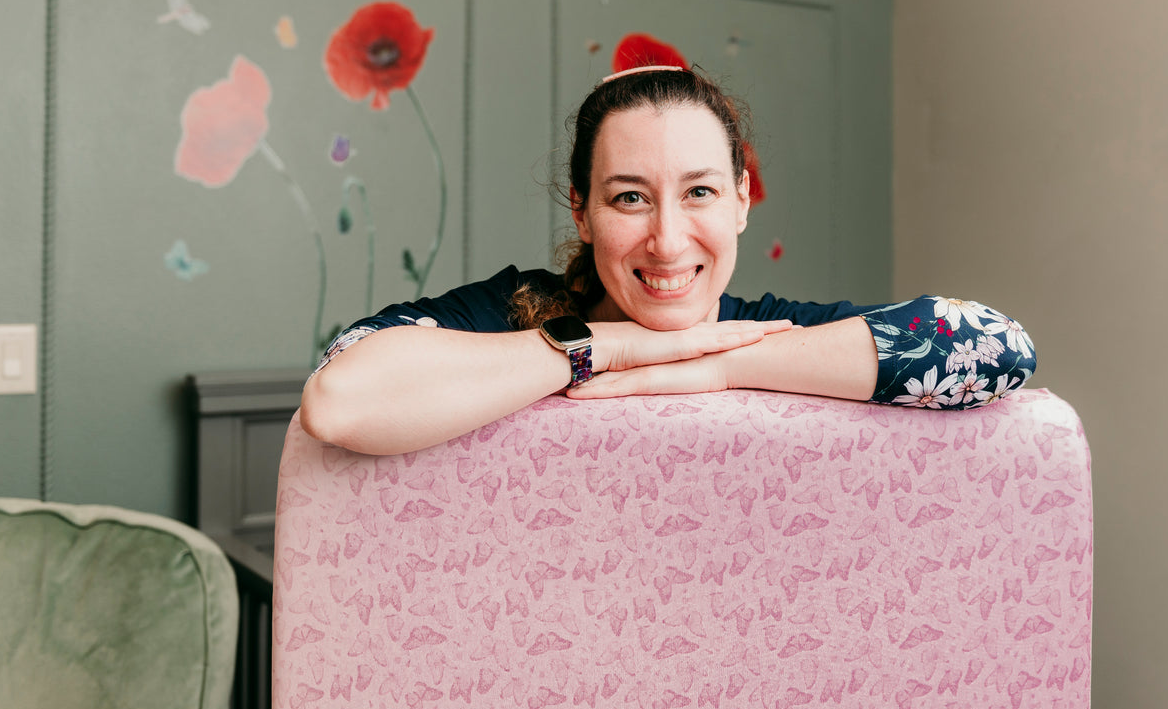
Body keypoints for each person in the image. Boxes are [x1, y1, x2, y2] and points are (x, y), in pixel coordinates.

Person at [299, 64, 1035, 455]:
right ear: (581, 211)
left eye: (701, 192)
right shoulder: (513, 307)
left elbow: (996, 345)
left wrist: (716, 365)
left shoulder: (762, 332)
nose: (669, 240)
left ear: (743, 200)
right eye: (629, 199)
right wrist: (609, 347)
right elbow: (339, 403)